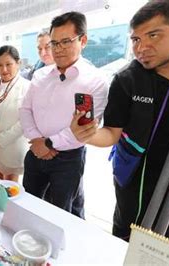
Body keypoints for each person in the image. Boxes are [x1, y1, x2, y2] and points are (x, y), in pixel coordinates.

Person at [70, 0, 169, 241]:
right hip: (135, 179)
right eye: (135, 39)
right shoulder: (127, 79)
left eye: (153, 35)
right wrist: (89, 134)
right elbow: (112, 133)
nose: (141, 47)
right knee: (126, 239)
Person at [19, 12, 108, 219]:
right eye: (54, 43)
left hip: (68, 159)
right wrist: (36, 140)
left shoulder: (95, 80)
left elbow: (86, 128)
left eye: (66, 42)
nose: (58, 49)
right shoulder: (40, 75)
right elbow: (25, 110)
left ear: (83, 40)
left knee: (61, 214)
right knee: (28, 203)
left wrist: (48, 143)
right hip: (35, 150)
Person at [0, 45, 30, 182]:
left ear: (18, 63)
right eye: (0, 65)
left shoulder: (26, 87)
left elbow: (25, 121)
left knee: (10, 185)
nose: (4, 70)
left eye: (8, 64)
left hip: (11, 142)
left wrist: (1, 139)